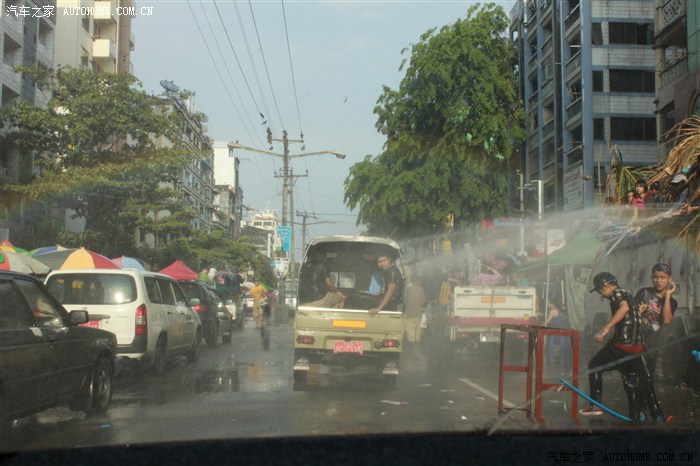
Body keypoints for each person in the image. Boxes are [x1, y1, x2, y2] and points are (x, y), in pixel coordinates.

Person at [580, 272, 671, 422]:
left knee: (594, 366)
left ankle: (594, 406)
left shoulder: (617, 293)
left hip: (621, 345)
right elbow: (631, 314)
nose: (601, 295)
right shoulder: (629, 296)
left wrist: (605, 329)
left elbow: (623, 309)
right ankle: (653, 415)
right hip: (637, 348)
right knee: (638, 379)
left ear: (607, 286)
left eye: (600, 291)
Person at [634, 263, 677, 380]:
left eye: (662, 277)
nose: (658, 281)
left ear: (669, 279)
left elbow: (667, 321)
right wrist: (639, 312)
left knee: (648, 377)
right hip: (636, 341)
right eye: (655, 277)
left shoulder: (672, 302)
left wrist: (667, 296)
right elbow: (631, 314)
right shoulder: (644, 293)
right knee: (635, 376)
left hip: (652, 345)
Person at [545, 300, 571, 375]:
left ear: (552, 304)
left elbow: (548, 321)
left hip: (555, 335)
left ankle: (553, 368)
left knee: (551, 350)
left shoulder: (553, 311)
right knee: (563, 351)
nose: (547, 305)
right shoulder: (561, 312)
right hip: (563, 334)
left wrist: (544, 320)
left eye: (548, 303)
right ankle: (563, 369)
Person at [404, 277, 426, 353]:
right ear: (418, 281)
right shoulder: (421, 289)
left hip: (410, 313)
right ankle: (417, 346)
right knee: (417, 329)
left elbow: (405, 301)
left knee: (411, 329)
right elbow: (423, 301)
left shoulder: (408, 289)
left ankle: (413, 347)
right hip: (418, 313)